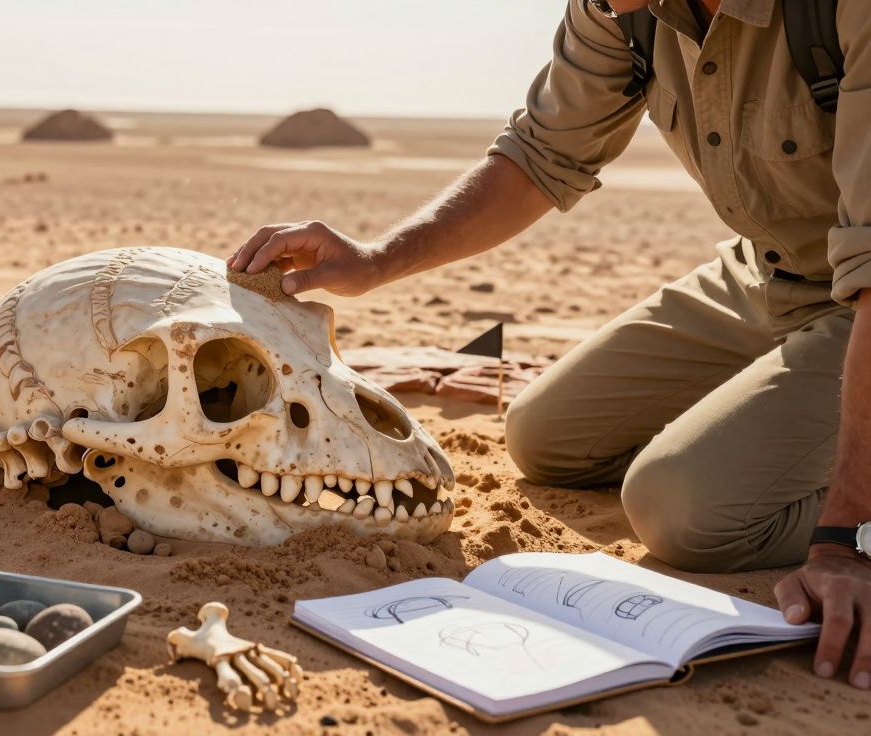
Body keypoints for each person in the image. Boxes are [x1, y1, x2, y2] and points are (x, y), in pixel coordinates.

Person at [228, 0, 870, 689]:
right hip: (765, 275)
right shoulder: (623, 9)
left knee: (680, 510)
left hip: (858, 295)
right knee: (547, 436)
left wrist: (845, 542)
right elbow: (541, 156)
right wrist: (376, 259)